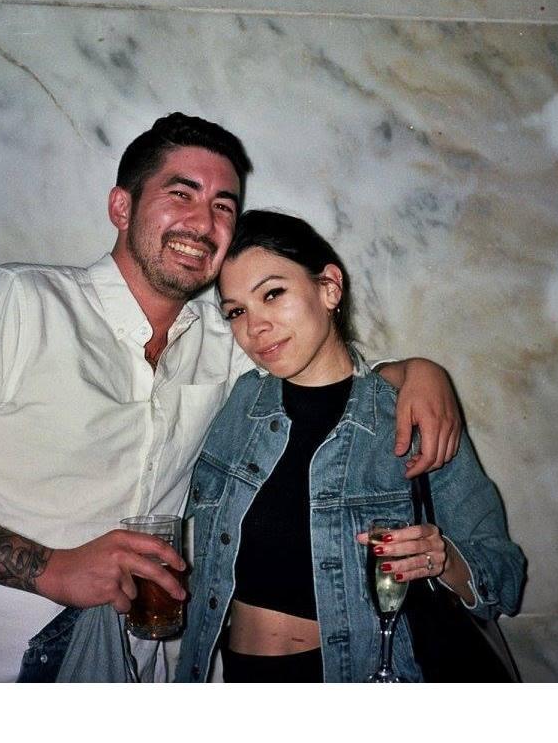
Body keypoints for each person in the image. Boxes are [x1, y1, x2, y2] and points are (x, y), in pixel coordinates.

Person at [0, 114, 464, 682]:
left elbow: (315, 361)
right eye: (180, 194)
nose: (203, 223)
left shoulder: (225, 336)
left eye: (223, 206)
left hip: (145, 662)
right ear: (122, 206)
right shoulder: (16, 306)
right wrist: (50, 568)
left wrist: (414, 371)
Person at [173, 210, 525, 683]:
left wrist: (441, 557)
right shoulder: (236, 406)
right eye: (236, 311)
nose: (255, 326)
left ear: (329, 288)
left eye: (273, 294)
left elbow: (504, 575)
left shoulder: (406, 416)